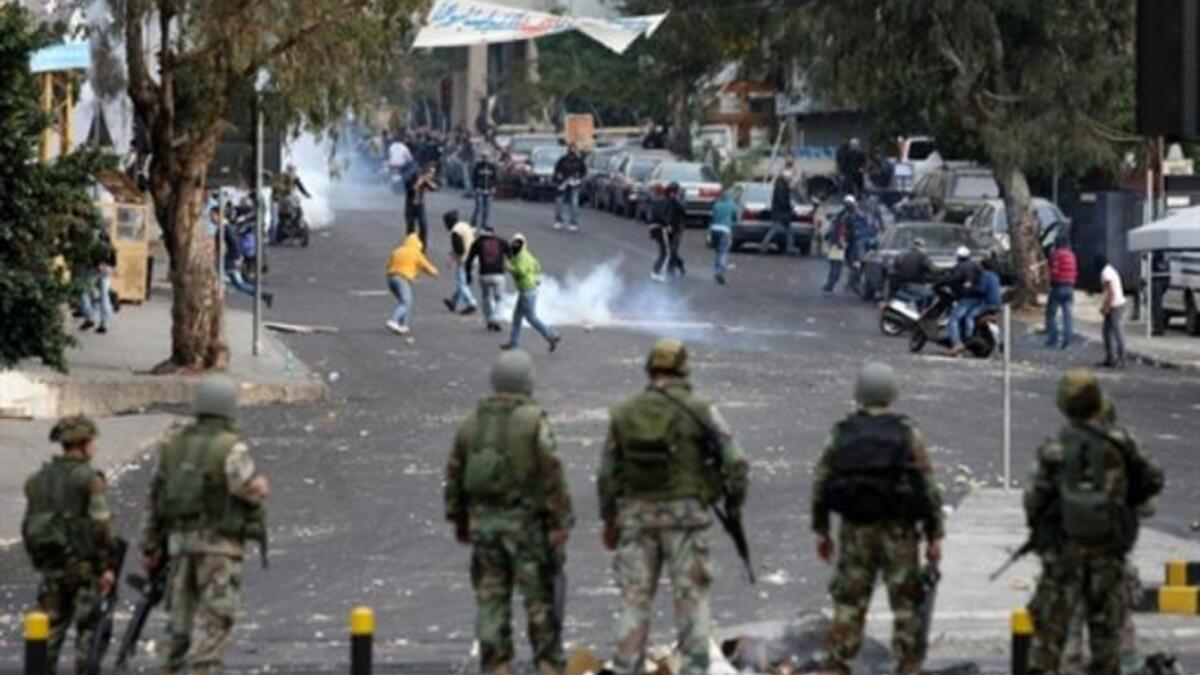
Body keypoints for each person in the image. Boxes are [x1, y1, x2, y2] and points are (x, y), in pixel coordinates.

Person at [598, 339, 749, 675]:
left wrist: (609, 520)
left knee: (634, 604)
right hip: (687, 520)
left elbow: (608, 474)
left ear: (650, 369)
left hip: (637, 520)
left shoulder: (625, 412)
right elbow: (736, 463)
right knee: (692, 605)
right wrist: (731, 505)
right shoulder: (701, 410)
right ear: (684, 369)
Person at [1024, 370, 1163, 675]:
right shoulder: (1123, 446)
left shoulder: (1056, 447)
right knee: (1107, 641)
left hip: (1065, 558)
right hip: (1109, 558)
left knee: (1062, 636)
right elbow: (1151, 488)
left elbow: (1034, 502)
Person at [445, 350, 574, 675]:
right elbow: (552, 476)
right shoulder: (533, 422)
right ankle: (547, 666)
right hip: (527, 530)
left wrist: (460, 521)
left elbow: (455, 476)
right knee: (540, 606)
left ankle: (496, 666)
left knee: (491, 604)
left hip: (485, 530)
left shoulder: (471, 423)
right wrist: (561, 524)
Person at [812, 362, 944, 675]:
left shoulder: (843, 432)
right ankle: (908, 665)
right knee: (906, 604)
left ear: (859, 393)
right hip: (899, 532)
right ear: (892, 393)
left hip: (856, 531)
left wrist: (822, 530)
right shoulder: (906, 432)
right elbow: (928, 485)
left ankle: (838, 664)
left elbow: (822, 481)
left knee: (849, 602)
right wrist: (934, 535)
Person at [140, 376, 269, 674]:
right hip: (219, 549)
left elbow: (154, 501)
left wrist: (149, 546)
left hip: (179, 547)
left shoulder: (173, 447)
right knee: (213, 625)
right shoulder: (230, 448)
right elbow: (245, 488)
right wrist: (260, 487)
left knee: (178, 627)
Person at [22, 416, 118, 673]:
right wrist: (108, 564)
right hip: (85, 568)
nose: (95, 447)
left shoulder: (37, 480)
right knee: (90, 633)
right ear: (83, 443)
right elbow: (101, 524)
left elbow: (28, 524)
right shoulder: (89, 479)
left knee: (49, 630)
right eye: (93, 441)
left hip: (51, 566)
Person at [503, 234, 561, 352]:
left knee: (531, 318)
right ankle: (514, 342)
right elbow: (537, 266)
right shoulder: (525, 255)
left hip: (527, 291)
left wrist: (509, 267)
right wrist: (535, 277)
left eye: (516, 243)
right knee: (517, 317)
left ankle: (551, 335)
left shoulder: (521, 257)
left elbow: (522, 272)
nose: (514, 245)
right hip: (528, 290)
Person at [215, 206, 274, 309]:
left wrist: (238, 257)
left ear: (218, 215)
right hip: (228, 259)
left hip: (230, 260)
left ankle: (263, 294)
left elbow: (235, 243)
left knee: (239, 283)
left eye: (213, 215)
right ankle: (262, 294)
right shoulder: (225, 227)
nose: (211, 218)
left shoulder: (226, 228)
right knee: (237, 281)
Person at [385, 233, 439, 335]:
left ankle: (403, 325)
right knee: (406, 302)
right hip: (402, 278)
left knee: (404, 301)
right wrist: (435, 273)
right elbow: (426, 266)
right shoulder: (415, 253)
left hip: (390, 278)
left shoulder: (397, 251)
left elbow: (388, 265)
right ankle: (394, 320)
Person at [467, 225, 511, 332]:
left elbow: (469, 260)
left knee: (486, 297)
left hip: (484, 275)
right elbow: (512, 256)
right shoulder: (501, 241)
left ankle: (489, 320)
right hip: (498, 275)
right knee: (499, 299)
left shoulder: (478, 242)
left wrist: (468, 274)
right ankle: (495, 318)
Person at [944, 247, 982, 357]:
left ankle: (957, 343)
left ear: (958, 257)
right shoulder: (976, 266)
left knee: (953, 319)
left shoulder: (960, 267)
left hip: (966, 297)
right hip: (979, 297)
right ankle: (968, 337)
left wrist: (944, 282)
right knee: (968, 317)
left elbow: (954, 278)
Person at [79, 227, 117, 334]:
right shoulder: (111, 246)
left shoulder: (93, 245)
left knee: (84, 292)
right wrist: (110, 268)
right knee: (104, 296)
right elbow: (114, 263)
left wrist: (97, 265)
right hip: (106, 272)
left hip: (94, 271)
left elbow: (89, 259)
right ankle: (104, 323)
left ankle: (89, 316)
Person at [443, 211, 479, 316]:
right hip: (474, 257)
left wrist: (453, 260)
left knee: (461, 283)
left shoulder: (455, 231)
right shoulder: (464, 225)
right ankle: (453, 302)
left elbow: (460, 250)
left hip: (465, 259)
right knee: (462, 282)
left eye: (446, 223)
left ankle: (471, 303)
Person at [1045, 235, 1078, 349]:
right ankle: (1067, 340)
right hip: (1070, 286)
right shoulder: (1071, 255)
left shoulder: (1056, 255)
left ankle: (1053, 339)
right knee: (1067, 315)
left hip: (1058, 286)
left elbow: (1053, 271)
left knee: (1050, 313)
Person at [650, 183, 687, 281]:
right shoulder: (665, 201)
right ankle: (661, 271)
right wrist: (666, 224)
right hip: (666, 229)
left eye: (675, 193)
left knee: (671, 251)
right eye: (672, 192)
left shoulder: (678, 201)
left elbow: (683, 210)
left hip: (676, 230)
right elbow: (660, 214)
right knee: (667, 251)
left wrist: (677, 200)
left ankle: (674, 268)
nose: (673, 195)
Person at [962, 256, 1003, 343]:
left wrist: (970, 289)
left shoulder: (984, 276)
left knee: (969, 316)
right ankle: (999, 339)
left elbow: (982, 290)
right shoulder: (995, 276)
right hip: (998, 304)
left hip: (987, 303)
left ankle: (969, 336)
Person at [1097, 254, 1127, 369]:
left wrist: (1106, 308)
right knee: (1107, 332)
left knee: (1117, 332)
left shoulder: (1105, 273)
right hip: (1116, 304)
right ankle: (1111, 358)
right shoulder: (1110, 270)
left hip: (1115, 305)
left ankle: (1120, 358)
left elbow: (1110, 293)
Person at [270, 164, 311, 243]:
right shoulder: (282, 177)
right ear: (287, 170)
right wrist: (279, 194)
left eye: (293, 171)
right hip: (279, 200)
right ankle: (272, 237)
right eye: (290, 170)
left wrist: (306, 194)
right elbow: (277, 187)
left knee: (298, 210)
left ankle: (297, 228)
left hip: (290, 200)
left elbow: (300, 187)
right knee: (275, 220)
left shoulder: (295, 179)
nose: (292, 173)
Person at [759, 169, 796, 255]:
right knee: (776, 230)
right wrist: (789, 206)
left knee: (786, 231)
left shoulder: (780, 185)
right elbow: (782, 200)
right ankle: (764, 246)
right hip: (782, 213)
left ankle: (789, 248)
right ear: (786, 178)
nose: (790, 180)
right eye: (789, 178)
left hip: (780, 213)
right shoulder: (782, 187)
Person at [891, 238, 936, 305]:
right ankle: (923, 311)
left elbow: (895, 268)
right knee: (932, 294)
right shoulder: (922, 255)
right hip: (916, 285)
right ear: (922, 246)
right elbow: (933, 269)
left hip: (901, 284)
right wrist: (945, 271)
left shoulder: (901, 254)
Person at [553, 144, 587, 232]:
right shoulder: (562, 159)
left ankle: (573, 222)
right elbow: (556, 170)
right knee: (559, 202)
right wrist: (559, 176)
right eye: (571, 149)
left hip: (575, 183)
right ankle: (558, 220)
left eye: (574, 149)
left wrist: (579, 177)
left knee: (574, 203)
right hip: (563, 183)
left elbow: (584, 172)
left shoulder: (579, 161)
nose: (573, 151)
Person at [406, 165, 439, 248]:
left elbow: (434, 188)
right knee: (411, 228)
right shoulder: (413, 177)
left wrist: (428, 181)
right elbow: (411, 189)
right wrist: (419, 181)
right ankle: (410, 247)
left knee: (423, 226)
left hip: (420, 206)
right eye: (431, 173)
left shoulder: (426, 180)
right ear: (426, 172)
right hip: (410, 206)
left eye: (433, 173)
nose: (432, 175)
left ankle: (422, 247)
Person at [822, 202, 852, 295]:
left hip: (835, 243)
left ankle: (829, 285)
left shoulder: (841, 216)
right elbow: (841, 231)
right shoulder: (845, 218)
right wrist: (843, 242)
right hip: (838, 245)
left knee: (835, 266)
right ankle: (829, 285)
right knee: (836, 266)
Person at [709, 188, 736, 285]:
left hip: (714, 230)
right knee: (723, 251)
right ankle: (720, 272)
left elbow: (712, 217)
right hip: (725, 230)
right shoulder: (731, 205)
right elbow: (735, 217)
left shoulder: (716, 205)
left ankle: (716, 271)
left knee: (717, 251)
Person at [472, 152, 499, 230]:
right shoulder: (478, 166)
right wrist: (476, 187)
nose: (486, 159)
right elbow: (474, 178)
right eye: (484, 157)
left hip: (489, 190)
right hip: (480, 190)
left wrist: (494, 187)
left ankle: (484, 224)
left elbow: (495, 178)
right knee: (479, 208)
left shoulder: (492, 167)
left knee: (487, 209)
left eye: (487, 157)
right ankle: (473, 223)